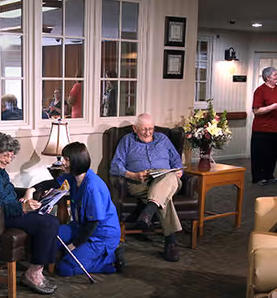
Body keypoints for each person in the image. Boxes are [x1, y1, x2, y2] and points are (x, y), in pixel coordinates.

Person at [0, 133, 59, 294]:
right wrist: (21, 208)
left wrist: (24, 200)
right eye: (6, 155)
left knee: (51, 219)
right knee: (47, 223)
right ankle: (33, 273)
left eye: (12, 156)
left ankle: (37, 270)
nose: (9, 160)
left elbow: (8, 194)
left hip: (11, 210)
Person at [109, 113, 184, 262]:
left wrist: (178, 170)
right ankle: (170, 242)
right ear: (135, 128)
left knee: (168, 177)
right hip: (140, 183)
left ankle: (148, 211)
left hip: (167, 178)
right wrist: (132, 175)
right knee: (163, 197)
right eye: (144, 129)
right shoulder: (127, 141)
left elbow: (177, 161)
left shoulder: (163, 139)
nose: (148, 132)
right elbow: (115, 166)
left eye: (151, 128)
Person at [55, 142, 123, 276]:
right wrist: (32, 189)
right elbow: (54, 182)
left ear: (76, 161)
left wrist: (74, 244)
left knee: (64, 268)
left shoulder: (92, 187)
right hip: (79, 226)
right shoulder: (74, 177)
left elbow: (93, 223)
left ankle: (110, 259)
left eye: (66, 159)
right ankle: (80, 254)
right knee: (51, 234)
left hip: (100, 235)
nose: (62, 162)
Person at [251, 66, 277, 186]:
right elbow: (256, 111)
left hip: (276, 128)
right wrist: (272, 107)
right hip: (262, 128)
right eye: (275, 75)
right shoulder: (260, 90)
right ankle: (258, 177)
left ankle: (269, 175)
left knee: (272, 154)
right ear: (267, 77)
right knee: (259, 154)